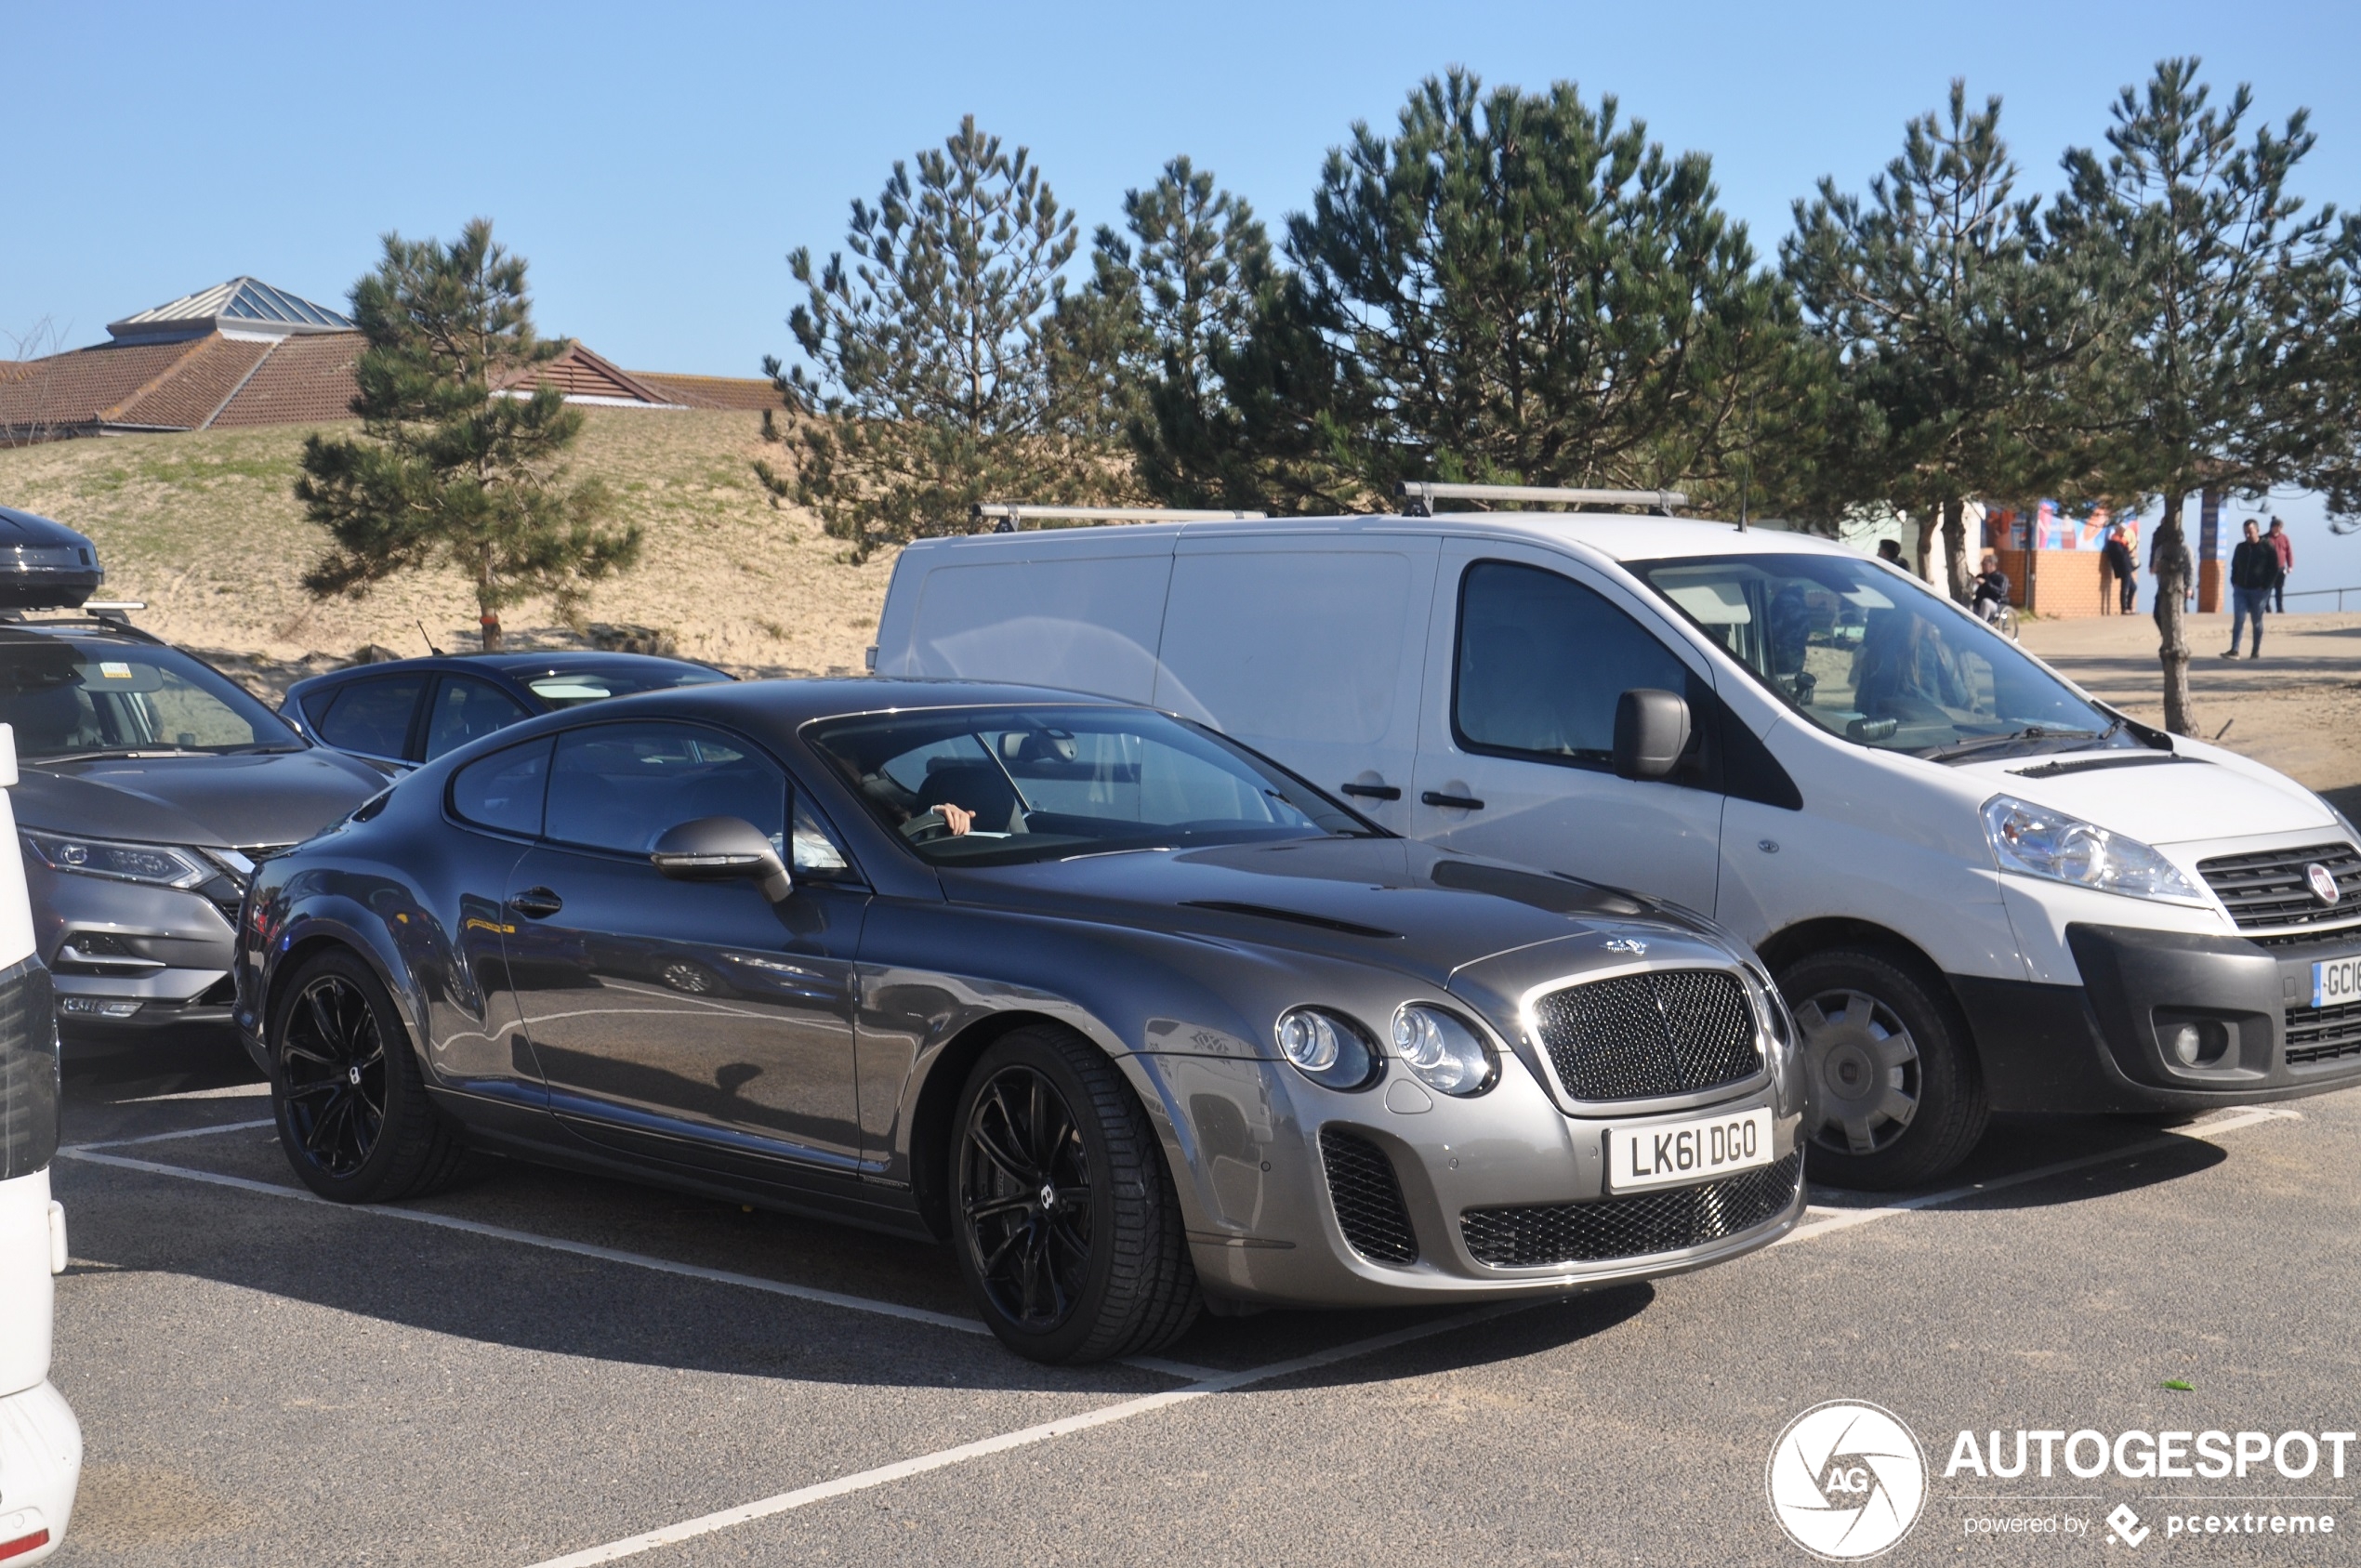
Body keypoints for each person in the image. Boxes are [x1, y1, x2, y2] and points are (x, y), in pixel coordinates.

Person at [2225, 518, 2282, 658]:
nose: (2248, 535)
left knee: (2256, 621)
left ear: (2257, 530)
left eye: (2250, 531)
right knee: (2239, 618)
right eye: (2245, 532)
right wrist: (2234, 581)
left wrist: (2266, 585)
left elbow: (2274, 567)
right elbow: (2235, 566)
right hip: (2241, 590)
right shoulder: (2241, 547)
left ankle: (2255, 650)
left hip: (2259, 591)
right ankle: (2234, 650)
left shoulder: (2267, 547)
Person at [2151, 528, 2194, 613]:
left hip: (2182, 583)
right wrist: (2160, 582)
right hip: (2164, 584)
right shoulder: (2161, 549)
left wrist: (2189, 587)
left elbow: (2190, 568)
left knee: (2180, 610)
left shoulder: (2185, 549)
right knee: (2157, 612)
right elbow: (2156, 567)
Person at [2101, 524, 2137, 615]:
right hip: (2123, 567)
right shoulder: (2115, 541)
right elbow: (2120, 555)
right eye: (2123, 530)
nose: (2124, 532)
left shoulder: (2122, 541)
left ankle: (2129, 607)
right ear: (2118, 530)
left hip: (2127, 567)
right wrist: (2127, 548)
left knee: (2133, 587)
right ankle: (2124, 608)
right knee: (2125, 588)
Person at [1971, 552, 2011, 625]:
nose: (1982, 566)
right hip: (1978, 603)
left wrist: (1986, 584)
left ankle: (1981, 625)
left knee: (1986, 602)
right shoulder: (1981, 576)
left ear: (1992, 565)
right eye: (1982, 564)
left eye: (1984, 564)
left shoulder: (2001, 577)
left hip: (1996, 604)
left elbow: (2002, 593)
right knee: (1968, 603)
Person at [2267, 517, 2294, 612]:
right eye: (2277, 527)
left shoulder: (2284, 538)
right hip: (2268, 569)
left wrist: (2290, 566)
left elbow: (2289, 552)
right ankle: (2267, 609)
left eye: (2280, 527)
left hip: (2281, 568)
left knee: (2279, 589)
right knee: (2267, 589)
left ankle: (2280, 609)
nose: (2279, 529)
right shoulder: (2266, 538)